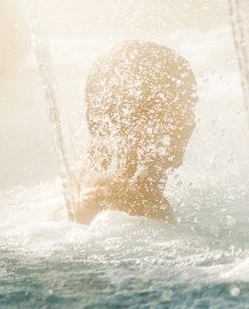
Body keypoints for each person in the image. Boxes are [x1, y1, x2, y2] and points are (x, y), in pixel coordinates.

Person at [73, 41, 197, 224]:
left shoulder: (80, 190)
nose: (190, 124)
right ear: (139, 122)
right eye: (182, 110)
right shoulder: (145, 208)